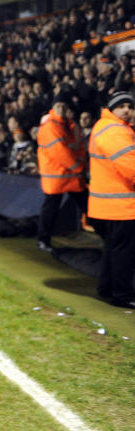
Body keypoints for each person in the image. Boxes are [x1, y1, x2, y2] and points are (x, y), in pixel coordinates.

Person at [88, 91, 135, 309]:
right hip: (121, 205)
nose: (127, 110)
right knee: (123, 253)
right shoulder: (115, 131)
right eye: (122, 106)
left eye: (130, 106)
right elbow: (131, 168)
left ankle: (107, 288)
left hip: (110, 204)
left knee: (113, 249)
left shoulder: (106, 126)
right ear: (112, 108)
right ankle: (123, 295)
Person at [36, 93, 87, 253]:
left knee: (89, 207)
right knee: (51, 210)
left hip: (69, 177)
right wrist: (80, 167)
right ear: (53, 107)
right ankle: (42, 240)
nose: (61, 109)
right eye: (59, 106)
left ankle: (43, 240)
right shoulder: (50, 126)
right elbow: (61, 152)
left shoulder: (71, 126)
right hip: (60, 177)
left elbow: (80, 148)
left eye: (64, 106)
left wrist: (80, 166)